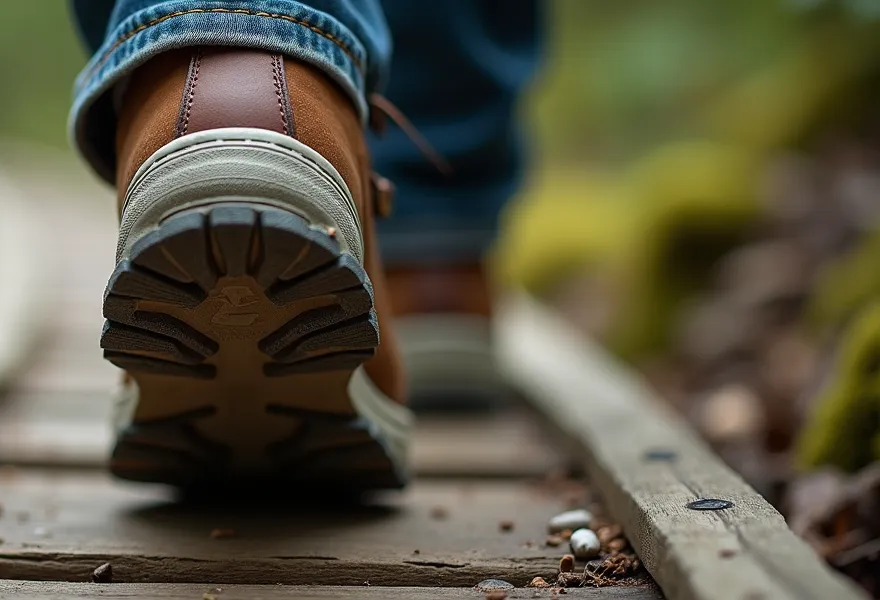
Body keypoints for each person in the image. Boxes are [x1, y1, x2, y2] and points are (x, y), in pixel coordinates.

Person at [67, 0, 543, 491]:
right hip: (408, 162)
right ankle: (434, 256)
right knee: (423, 223)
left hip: (172, 110)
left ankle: (186, 61)